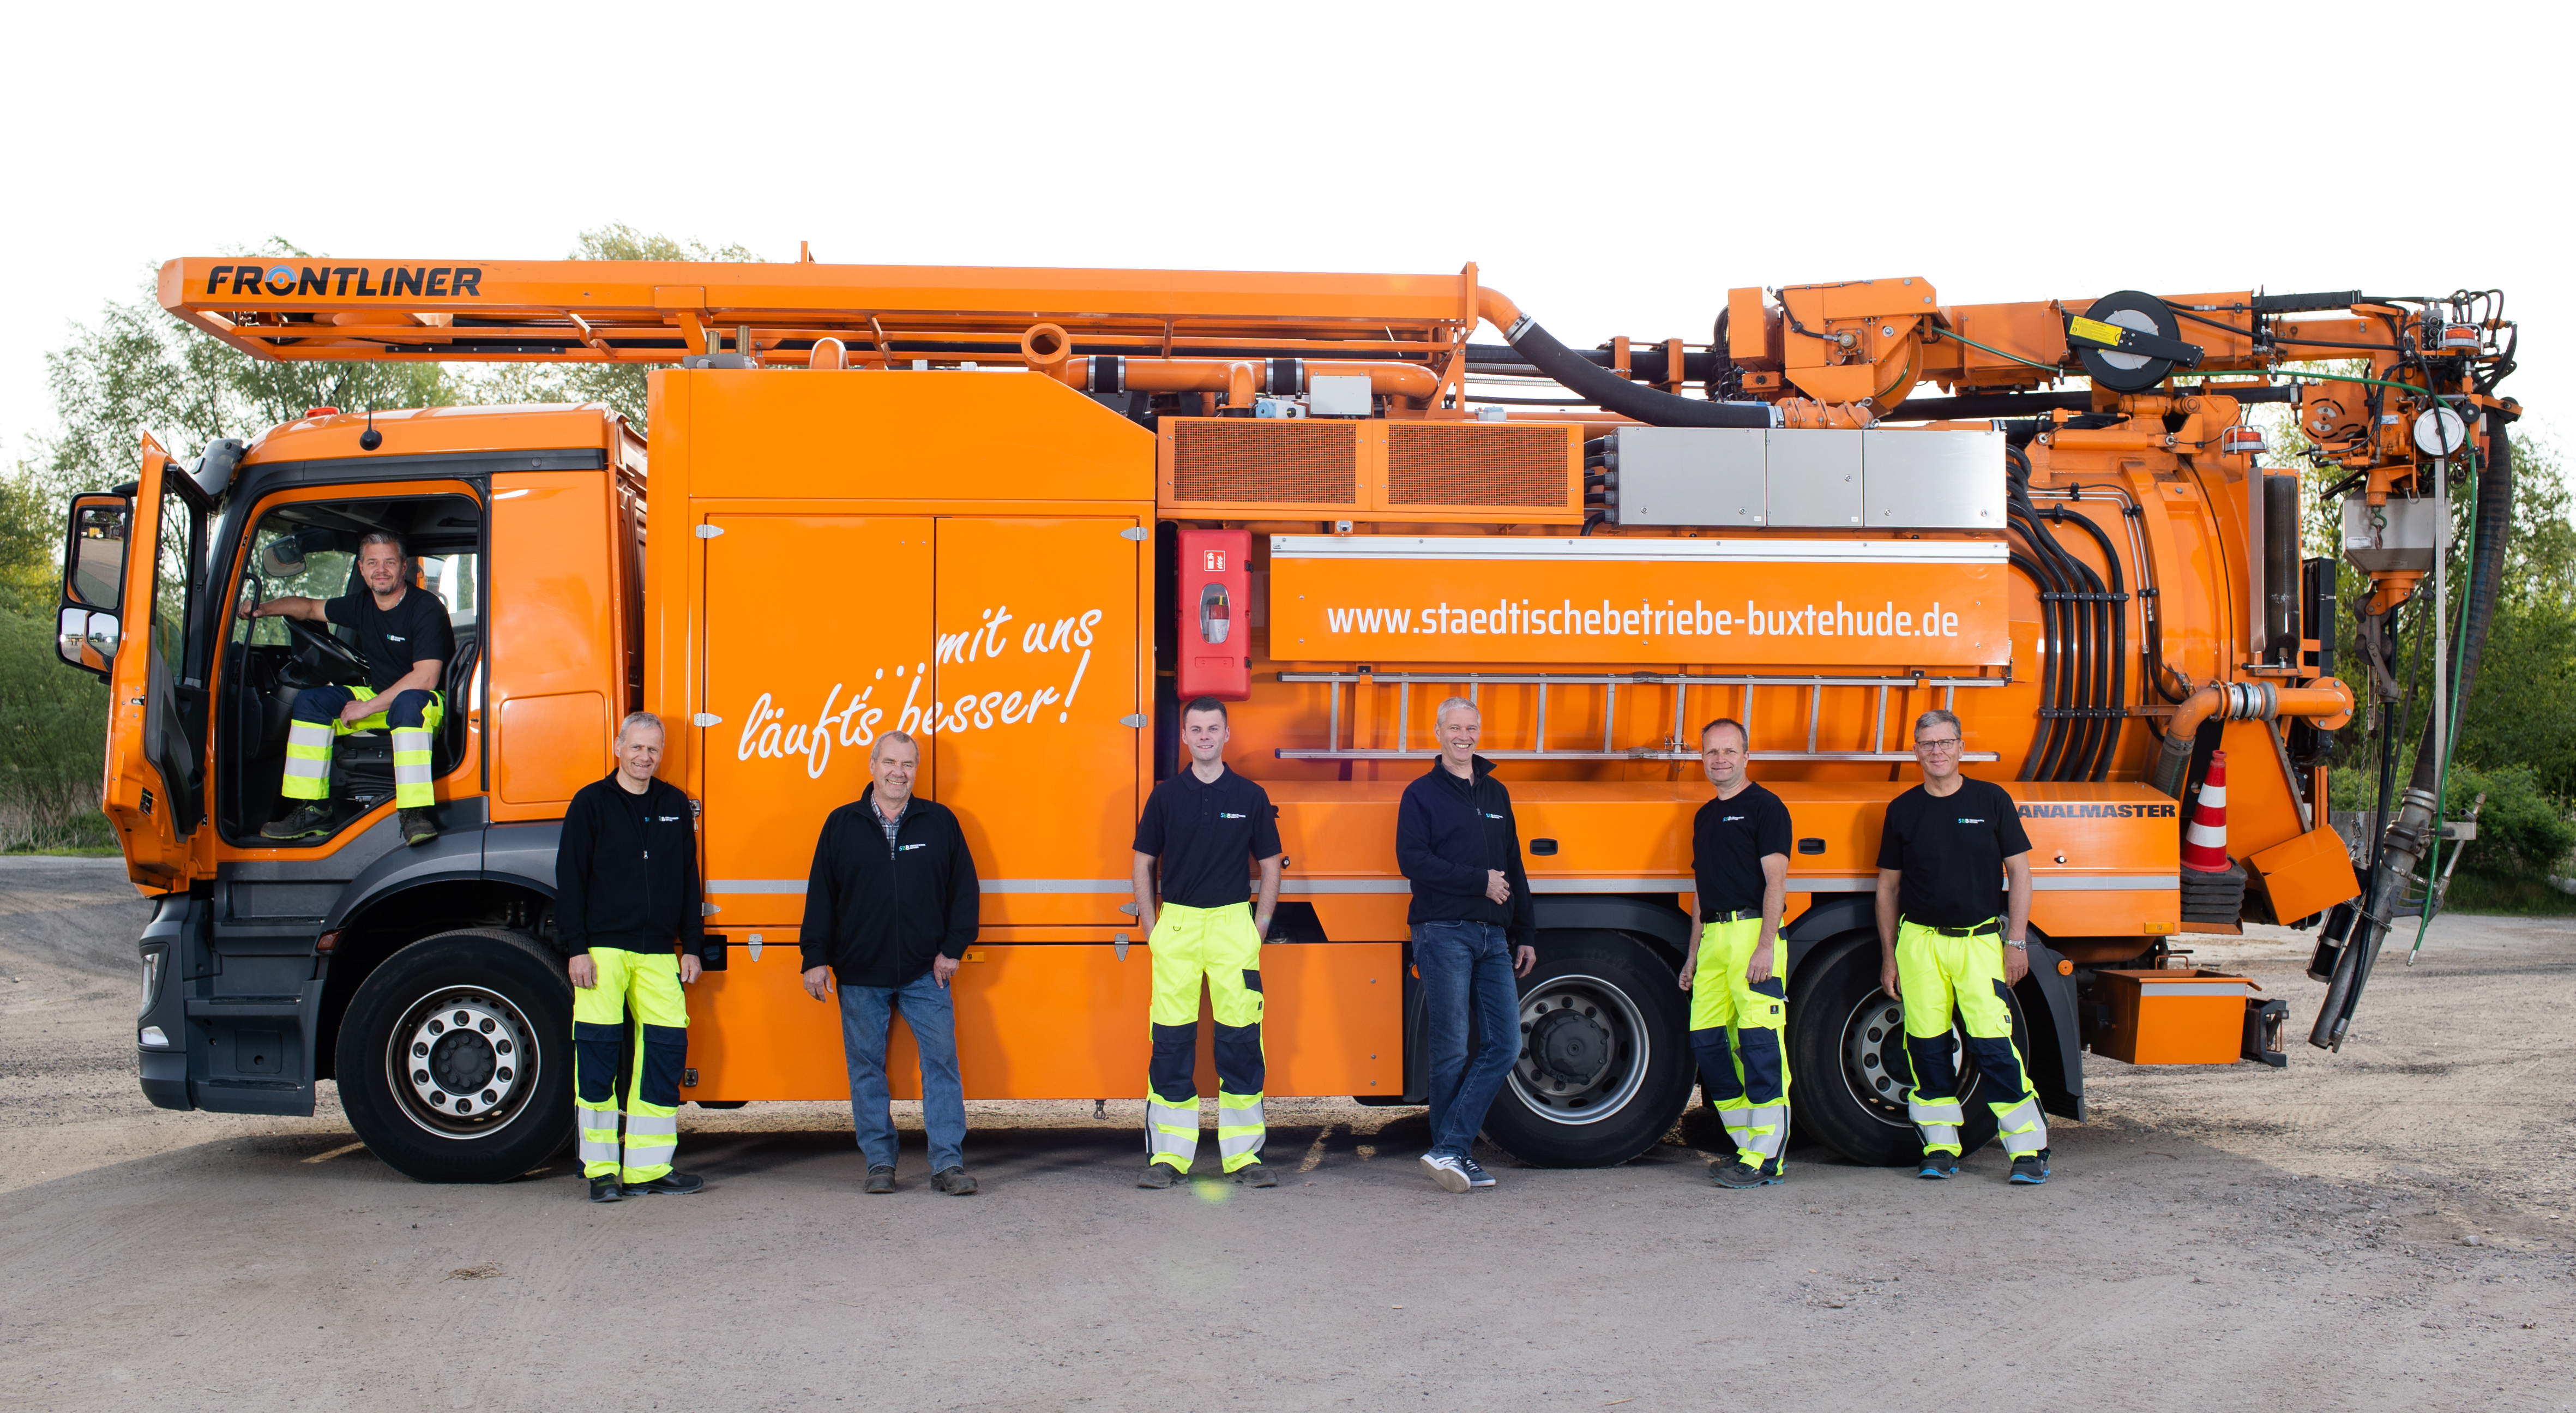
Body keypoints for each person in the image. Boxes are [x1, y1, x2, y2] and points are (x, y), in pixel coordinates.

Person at [800, 731, 982, 1195]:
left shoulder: (940, 822)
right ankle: (880, 1162)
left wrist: (952, 949)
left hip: (927, 970)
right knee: (866, 1068)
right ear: (872, 765)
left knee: (941, 1062)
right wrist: (815, 958)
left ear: (916, 770)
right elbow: (822, 896)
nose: (898, 772)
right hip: (860, 972)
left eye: (908, 763)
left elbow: (964, 892)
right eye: (890, 762)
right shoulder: (841, 824)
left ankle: (948, 1164)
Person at [1874, 708, 2050, 1184]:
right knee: (1926, 1047)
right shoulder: (1903, 809)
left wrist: (2017, 940)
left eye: (1945, 742)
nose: (1937, 751)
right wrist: (1889, 954)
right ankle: (1939, 1147)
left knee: (1993, 1045)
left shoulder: (1991, 799)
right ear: (1916, 751)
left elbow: (2021, 873)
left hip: (1979, 943)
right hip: (1920, 944)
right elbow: (1888, 888)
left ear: (1960, 747)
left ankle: (2029, 1151)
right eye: (1928, 744)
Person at [1131, 697, 1285, 1189]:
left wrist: (1259, 923)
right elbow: (1142, 862)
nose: (1203, 736)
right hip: (1175, 926)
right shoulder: (1165, 797)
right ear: (1184, 736)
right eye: (1195, 728)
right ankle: (1169, 1158)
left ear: (1226, 734)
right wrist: (1151, 925)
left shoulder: (1250, 795)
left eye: (1211, 728)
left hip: (1231, 926)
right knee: (1171, 1040)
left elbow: (1270, 862)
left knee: (1241, 1040)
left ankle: (1244, 1158)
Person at [556, 712, 707, 1202]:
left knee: (665, 1052)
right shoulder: (591, 803)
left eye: (653, 750)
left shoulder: (673, 804)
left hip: (660, 951)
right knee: (598, 1055)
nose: (645, 757)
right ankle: (600, 1169)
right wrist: (577, 947)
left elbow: (689, 880)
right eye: (637, 747)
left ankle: (648, 1167)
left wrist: (693, 946)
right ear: (618, 746)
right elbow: (571, 880)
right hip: (602, 949)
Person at [1394, 697, 1536, 1194]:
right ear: (1437, 732)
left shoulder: (1496, 793)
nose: (1464, 736)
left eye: (1471, 728)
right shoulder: (1421, 795)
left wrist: (1526, 931)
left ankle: (1449, 1147)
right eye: (1455, 727)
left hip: (1493, 936)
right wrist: (1478, 881)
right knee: (1452, 1047)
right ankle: (1453, 1151)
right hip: (1443, 931)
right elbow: (1412, 860)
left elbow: (1513, 866)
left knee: (1506, 1043)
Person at [239, 530, 453, 846]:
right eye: (373, 563)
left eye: (389, 562)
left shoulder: (426, 608)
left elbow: (425, 678)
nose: (381, 570)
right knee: (312, 702)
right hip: (383, 698)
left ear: (404, 567)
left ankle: (414, 813)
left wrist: (366, 707)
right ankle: (314, 810)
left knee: (409, 702)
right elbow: (310, 608)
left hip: (428, 703)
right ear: (362, 570)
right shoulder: (362, 605)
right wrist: (262, 609)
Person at [1679, 718, 1793, 1189]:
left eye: (1729, 751)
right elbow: (1701, 893)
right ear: (1702, 757)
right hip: (1714, 940)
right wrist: (1692, 955)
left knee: (1760, 1045)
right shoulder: (1705, 815)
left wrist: (1765, 945)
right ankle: (1747, 1145)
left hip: (1753, 934)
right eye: (1711, 752)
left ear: (1747, 755)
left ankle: (1768, 1158)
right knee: (1709, 1041)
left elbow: (1776, 882)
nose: (1719, 760)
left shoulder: (1767, 808)